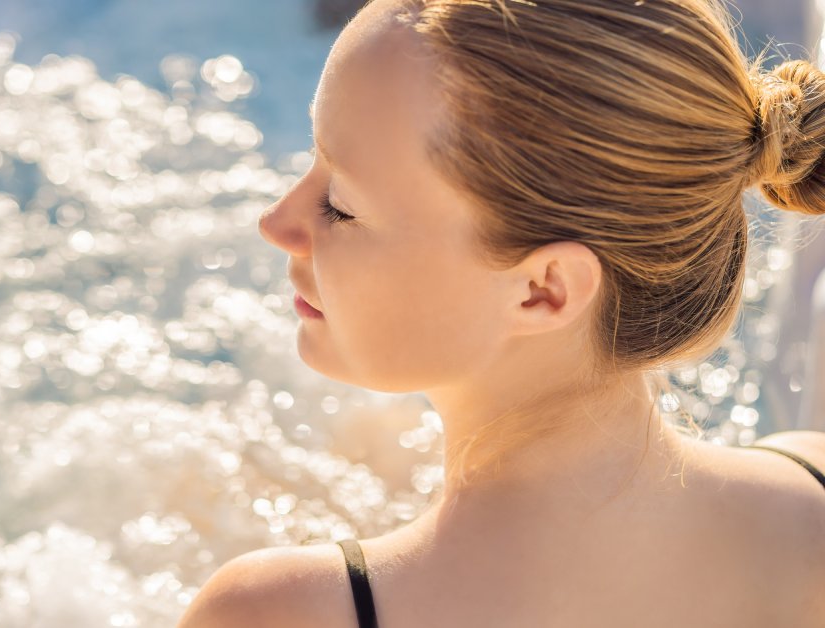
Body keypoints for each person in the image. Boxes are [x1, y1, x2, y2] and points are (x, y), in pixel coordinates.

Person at [176, 0, 825, 626]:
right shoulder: (810, 499)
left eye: (340, 205)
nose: (277, 221)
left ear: (544, 290)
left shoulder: (278, 612)